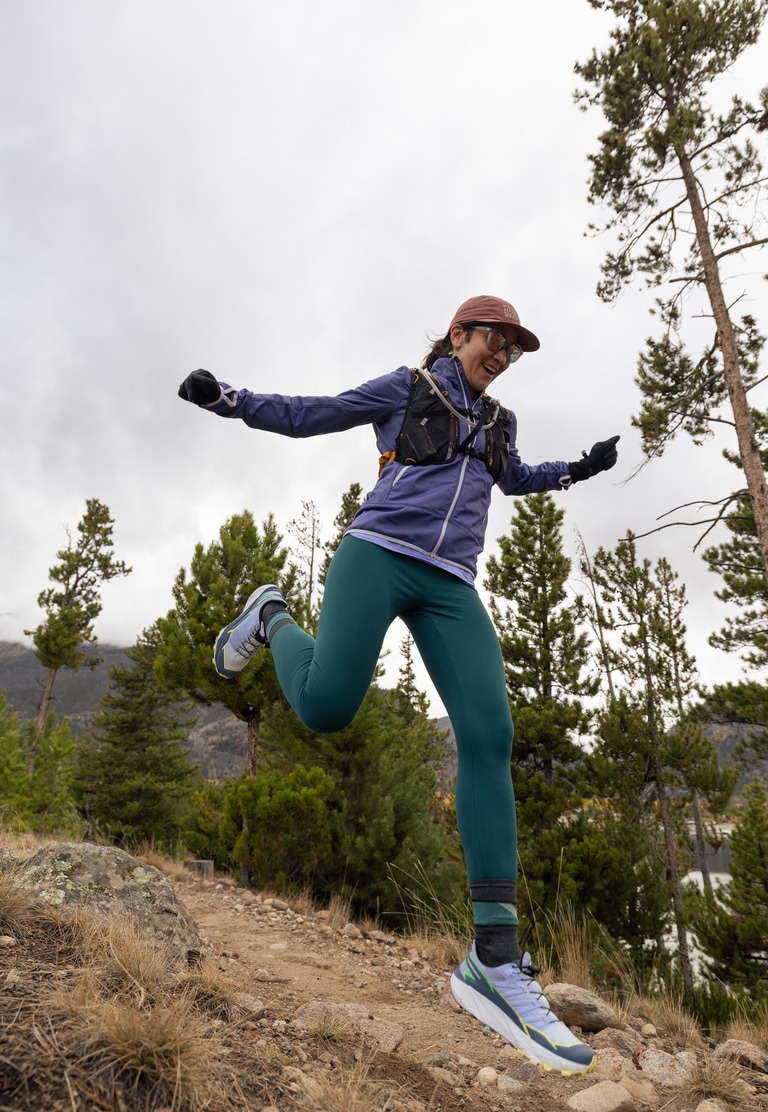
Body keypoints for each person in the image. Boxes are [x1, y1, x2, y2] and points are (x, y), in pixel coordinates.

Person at [178, 294, 618, 1075]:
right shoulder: (410, 386)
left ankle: (495, 957)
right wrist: (232, 402)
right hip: (377, 552)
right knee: (324, 706)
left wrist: (578, 468)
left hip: (451, 583)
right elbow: (318, 412)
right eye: (496, 341)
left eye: (514, 349)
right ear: (461, 334)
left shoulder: (499, 424)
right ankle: (271, 614)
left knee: (489, 737)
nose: (504, 355)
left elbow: (515, 479)